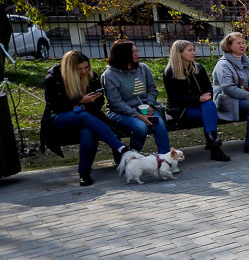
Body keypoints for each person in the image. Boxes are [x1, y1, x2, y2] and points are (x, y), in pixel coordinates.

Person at [39, 51, 130, 186]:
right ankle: (121, 148)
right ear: (69, 68)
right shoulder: (53, 79)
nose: (84, 71)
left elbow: (99, 104)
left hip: (85, 119)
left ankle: (84, 172)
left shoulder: (91, 77)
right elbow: (54, 106)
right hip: (59, 120)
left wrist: (90, 102)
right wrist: (80, 100)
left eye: (86, 67)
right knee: (84, 116)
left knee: (87, 131)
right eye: (79, 69)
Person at [101, 40, 176, 169]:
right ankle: (130, 159)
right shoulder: (109, 75)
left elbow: (152, 89)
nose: (137, 54)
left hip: (146, 107)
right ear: (123, 55)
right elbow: (115, 102)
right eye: (133, 52)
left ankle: (165, 160)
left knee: (159, 124)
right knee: (141, 127)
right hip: (121, 111)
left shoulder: (143, 68)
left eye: (136, 51)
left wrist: (151, 105)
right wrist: (137, 115)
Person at [163, 40, 229, 161]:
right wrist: (198, 98)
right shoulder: (170, 73)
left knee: (209, 106)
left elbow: (208, 87)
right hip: (181, 108)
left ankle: (212, 141)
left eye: (193, 50)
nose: (194, 53)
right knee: (209, 115)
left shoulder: (199, 68)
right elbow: (175, 97)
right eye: (190, 50)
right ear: (179, 53)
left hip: (201, 105)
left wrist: (208, 94)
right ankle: (215, 148)